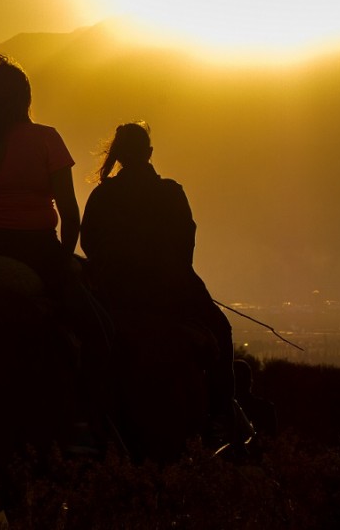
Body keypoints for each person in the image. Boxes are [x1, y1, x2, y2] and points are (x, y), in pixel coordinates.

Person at [0, 55, 113, 439]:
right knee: (98, 332)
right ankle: (89, 422)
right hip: (33, 249)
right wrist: (64, 259)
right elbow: (70, 213)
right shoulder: (46, 139)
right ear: (24, 99)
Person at [80, 120, 236, 444]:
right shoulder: (171, 193)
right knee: (221, 330)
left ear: (119, 155)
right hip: (172, 288)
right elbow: (187, 243)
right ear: (149, 153)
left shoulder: (103, 195)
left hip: (115, 291)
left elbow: (89, 243)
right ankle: (222, 414)